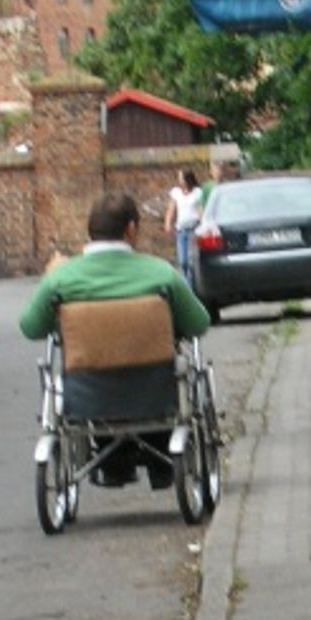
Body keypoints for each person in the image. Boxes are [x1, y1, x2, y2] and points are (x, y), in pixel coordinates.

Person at [19, 192, 210, 488]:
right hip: (156, 390)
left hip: (88, 394)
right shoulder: (161, 273)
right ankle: (161, 460)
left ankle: (113, 464)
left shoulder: (61, 279)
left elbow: (31, 327)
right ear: (131, 229)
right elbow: (198, 323)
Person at [164, 167, 204, 282]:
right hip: (181, 230)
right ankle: (186, 282)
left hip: (193, 230)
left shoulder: (197, 192)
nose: (179, 180)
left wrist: (203, 223)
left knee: (191, 262)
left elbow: (199, 209)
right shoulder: (176, 193)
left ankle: (190, 287)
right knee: (183, 261)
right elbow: (171, 209)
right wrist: (168, 223)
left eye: (181, 178)